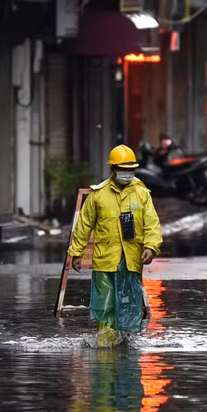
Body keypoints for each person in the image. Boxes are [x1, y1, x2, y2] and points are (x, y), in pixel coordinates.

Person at [68, 145, 163, 345]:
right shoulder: (98, 195)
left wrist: (150, 247)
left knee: (129, 302)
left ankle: (126, 340)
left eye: (130, 169)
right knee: (105, 303)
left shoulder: (142, 193)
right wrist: (76, 253)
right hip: (105, 259)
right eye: (123, 168)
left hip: (131, 259)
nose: (127, 173)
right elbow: (83, 226)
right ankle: (105, 341)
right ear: (113, 168)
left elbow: (152, 224)